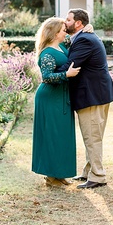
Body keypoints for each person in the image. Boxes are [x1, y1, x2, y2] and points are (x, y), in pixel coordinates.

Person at [59, 8, 113, 189]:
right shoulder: (84, 36)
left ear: (78, 23)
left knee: (92, 137)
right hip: (97, 94)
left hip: (92, 96)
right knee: (91, 135)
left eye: (68, 20)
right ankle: (88, 171)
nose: (65, 22)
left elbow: (71, 65)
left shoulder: (84, 39)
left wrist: (49, 73)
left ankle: (98, 176)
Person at [31, 17, 81, 187]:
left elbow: (75, 36)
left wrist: (88, 27)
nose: (65, 32)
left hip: (62, 96)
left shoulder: (61, 46)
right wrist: (66, 75)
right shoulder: (47, 53)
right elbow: (46, 77)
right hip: (50, 98)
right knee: (52, 135)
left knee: (62, 135)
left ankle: (59, 174)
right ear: (54, 33)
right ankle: (50, 177)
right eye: (62, 30)